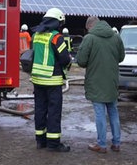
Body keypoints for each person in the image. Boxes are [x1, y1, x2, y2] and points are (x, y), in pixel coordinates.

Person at [76, 16, 125, 154]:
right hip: (112, 81)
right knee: (113, 112)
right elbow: (121, 57)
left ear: (90, 26)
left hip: (96, 81)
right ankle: (116, 143)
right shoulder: (116, 37)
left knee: (100, 114)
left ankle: (102, 144)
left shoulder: (89, 38)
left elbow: (81, 61)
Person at [30, 8, 72, 152]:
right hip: (52, 80)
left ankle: (40, 141)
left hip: (37, 79)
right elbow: (65, 59)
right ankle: (53, 144)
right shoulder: (56, 37)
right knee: (53, 112)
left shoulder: (36, 35)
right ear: (58, 22)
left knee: (40, 110)